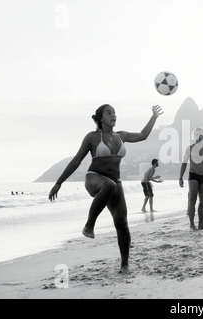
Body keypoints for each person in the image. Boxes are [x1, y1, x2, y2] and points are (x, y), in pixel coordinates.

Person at [48, 104, 163, 274]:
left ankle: (124, 265)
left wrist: (154, 116)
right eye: (109, 113)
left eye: (115, 112)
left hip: (114, 182)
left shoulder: (121, 136)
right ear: (100, 118)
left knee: (122, 223)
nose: (113, 115)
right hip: (94, 179)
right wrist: (59, 182)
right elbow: (76, 161)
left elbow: (143, 135)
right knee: (109, 185)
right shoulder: (92, 137)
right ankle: (89, 225)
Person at [179, 128, 203, 231]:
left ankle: (201, 224)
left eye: (200, 134)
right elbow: (184, 163)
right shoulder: (189, 148)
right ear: (194, 136)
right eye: (196, 134)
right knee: (192, 199)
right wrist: (180, 177)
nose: (198, 136)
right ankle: (192, 225)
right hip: (193, 176)